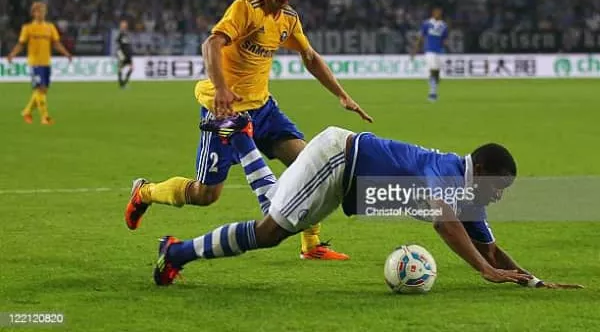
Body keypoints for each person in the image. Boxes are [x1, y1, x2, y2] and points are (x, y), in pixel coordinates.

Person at [124, 0, 372, 260]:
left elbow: (309, 56)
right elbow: (211, 43)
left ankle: (311, 245)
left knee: (309, 165)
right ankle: (144, 192)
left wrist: (341, 94)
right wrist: (221, 89)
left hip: (264, 110)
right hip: (225, 112)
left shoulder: (289, 18)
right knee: (206, 194)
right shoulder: (246, 8)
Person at [152, 114, 583, 290]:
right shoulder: (449, 172)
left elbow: (490, 248)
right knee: (269, 231)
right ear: (483, 170)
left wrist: (532, 280)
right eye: (500, 186)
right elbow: (444, 223)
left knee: (275, 216)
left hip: (345, 183)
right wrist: (485, 272)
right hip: (338, 158)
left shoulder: (469, 195)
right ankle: (174, 252)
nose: (500, 195)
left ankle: (241, 137)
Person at [7, 2, 72, 125]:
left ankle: (27, 111)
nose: (41, 13)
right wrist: (12, 54)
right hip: (35, 62)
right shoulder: (28, 28)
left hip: (46, 62)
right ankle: (45, 117)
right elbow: (21, 44)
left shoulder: (50, 27)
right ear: (33, 13)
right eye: (39, 11)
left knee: (43, 90)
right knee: (40, 88)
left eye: (43, 11)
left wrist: (66, 53)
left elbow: (56, 43)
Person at [411, 6, 449, 102]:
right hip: (430, 51)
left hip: (440, 52)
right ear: (433, 12)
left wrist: (446, 48)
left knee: (437, 73)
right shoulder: (426, 24)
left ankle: (434, 90)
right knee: (432, 70)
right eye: (436, 11)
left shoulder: (444, 25)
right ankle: (432, 93)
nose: (437, 13)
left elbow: (445, 40)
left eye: (439, 12)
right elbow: (420, 37)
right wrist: (415, 50)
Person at [116, 20, 134, 89]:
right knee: (120, 68)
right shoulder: (121, 34)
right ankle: (121, 84)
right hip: (123, 54)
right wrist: (119, 53)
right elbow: (118, 42)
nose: (125, 26)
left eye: (125, 25)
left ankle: (124, 83)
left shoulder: (126, 34)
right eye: (123, 25)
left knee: (131, 68)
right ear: (121, 26)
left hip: (128, 54)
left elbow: (127, 44)